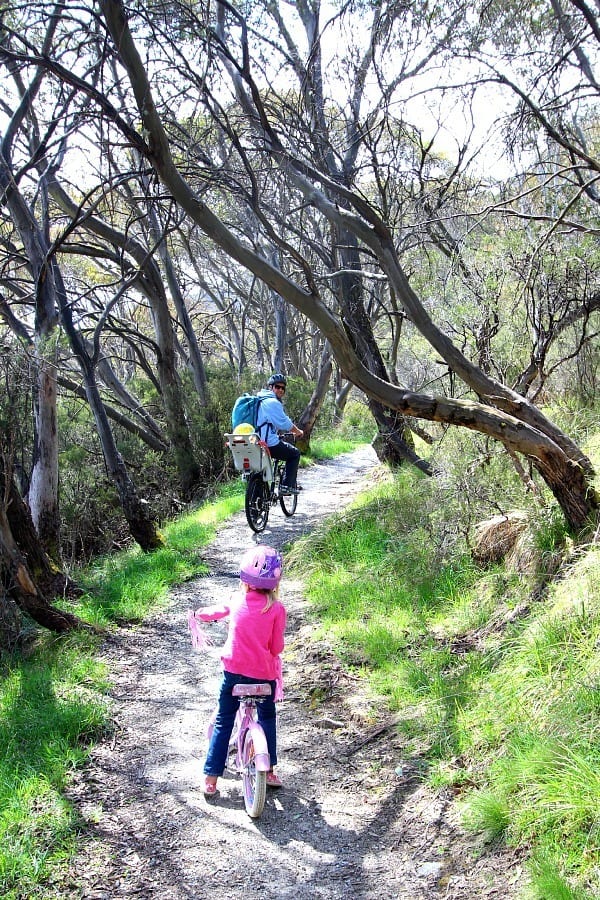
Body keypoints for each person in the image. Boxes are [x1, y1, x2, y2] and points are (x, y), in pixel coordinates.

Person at [192, 545, 287, 797]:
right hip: (264, 678)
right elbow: (277, 648)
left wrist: (197, 615)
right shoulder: (276, 609)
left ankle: (211, 778)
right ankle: (269, 771)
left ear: (244, 578)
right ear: (275, 582)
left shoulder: (236, 600)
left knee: (224, 720)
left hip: (233, 675)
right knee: (267, 716)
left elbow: (215, 612)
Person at [256, 373, 303, 494]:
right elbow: (285, 423)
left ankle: (256, 501)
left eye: (283, 388)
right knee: (294, 454)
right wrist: (297, 432)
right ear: (271, 387)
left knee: (258, 471)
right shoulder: (272, 402)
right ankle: (286, 486)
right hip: (267, 443)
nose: (281, 390)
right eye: (277, 387)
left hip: (253, 441)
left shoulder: (258, 399)